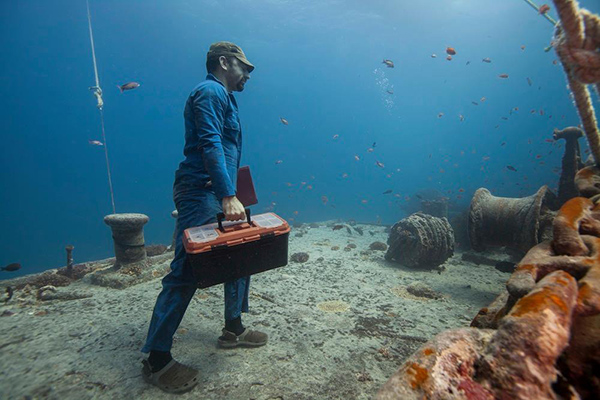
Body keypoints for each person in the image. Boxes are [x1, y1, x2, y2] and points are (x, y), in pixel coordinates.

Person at [140, 41, 267, 394]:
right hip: (202, 192)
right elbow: (210, 143)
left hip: (223, 190)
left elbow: (224, 151)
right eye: (245, 67)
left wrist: (235, 192)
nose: (248, 75)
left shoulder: (225, 97)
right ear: (224, 62)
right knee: (185, 271)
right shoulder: (209, 91)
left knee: (240, 257)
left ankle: (233, 329)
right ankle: (156, 359)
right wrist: (227, 196)